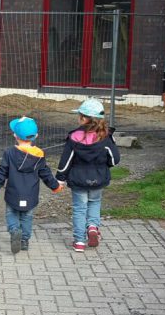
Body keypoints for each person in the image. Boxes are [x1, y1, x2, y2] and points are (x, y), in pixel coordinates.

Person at [56, 98, 121, 253]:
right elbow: (114, 159)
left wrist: (60, 178)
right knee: (94, 203)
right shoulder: (105, 137)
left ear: (84, 118)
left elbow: (66, 161)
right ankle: (92, 227)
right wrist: (105, 165)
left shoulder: (74, 137)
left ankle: (79, 241)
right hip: (98, 179)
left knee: (79, 208)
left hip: (78, 180)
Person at [0, 117, 63, 254]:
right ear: (36, 136)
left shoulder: (9, 153)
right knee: (27, 217)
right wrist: (55, 186)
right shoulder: (39, 154)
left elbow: (2, 171)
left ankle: (14, 231)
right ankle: (24, 240)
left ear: (15, 135)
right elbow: (45, 173)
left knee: (11, 213)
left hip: (13, 192)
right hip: (30, 194)